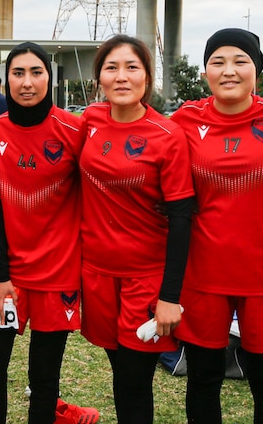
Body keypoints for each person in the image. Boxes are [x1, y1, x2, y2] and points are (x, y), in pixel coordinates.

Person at [170, 28, 263, 424]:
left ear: (257, 70)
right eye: (217, 62)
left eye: (240, 61)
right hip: (202, 275)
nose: (229, 71)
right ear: (206, 71)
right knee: (204, 381)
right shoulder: (184, 121)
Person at [0, 42, 98, 424]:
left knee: (44, 377)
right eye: (18, 73)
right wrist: (0, 274)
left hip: (57, 275)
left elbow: (105, 183)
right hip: (6, 279)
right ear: (7, 79)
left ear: (50, 75)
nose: (27, 82)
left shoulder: (74, 129)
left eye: (36, 72)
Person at [79, 34, 195, 422]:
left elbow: (181, 218)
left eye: (132, 67)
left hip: (145, 279)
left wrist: (170, 296)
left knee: (134, 380)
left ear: (147, 76)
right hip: (96, 274)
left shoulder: (168, 136)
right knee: (118, 372)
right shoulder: (91, 121)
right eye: (112, 68)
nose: (122, 76)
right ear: (100, 79)